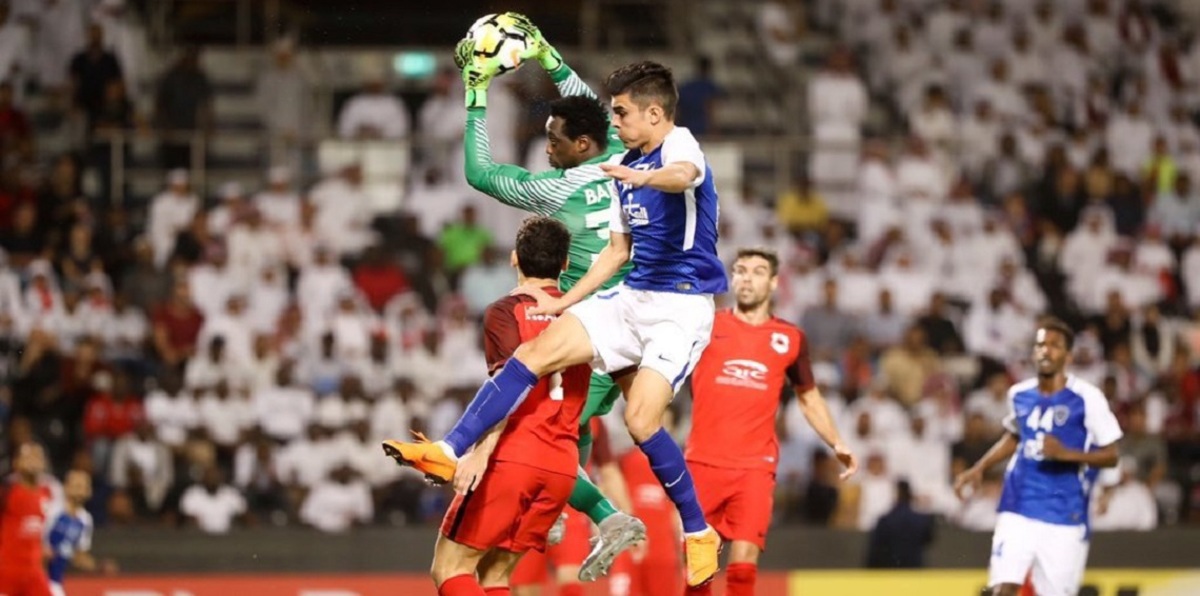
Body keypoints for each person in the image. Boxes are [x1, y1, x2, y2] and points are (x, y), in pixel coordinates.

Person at [384, 20, 726, 586]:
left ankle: (692, 529)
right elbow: (615, 252)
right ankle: (450, 449)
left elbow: (684, 173)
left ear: (652, 114)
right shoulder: (619, 163)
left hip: (680, 306)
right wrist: (566, 301)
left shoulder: (671, 147)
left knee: (630, 422)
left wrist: (641, 177)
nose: (611, 119)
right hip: (625, 296)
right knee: (536, 361)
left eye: (620, 113)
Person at [450, 24, 644, 581]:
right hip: (637, 321)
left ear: (581, 145)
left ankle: (606, 516)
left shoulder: (557, 188)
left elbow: (479, 172)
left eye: (554, 138)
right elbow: (592, 108)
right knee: (572, 425)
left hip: (594, 330)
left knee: (537, 432)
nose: (547, 146)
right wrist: (547, 56)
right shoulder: (627, 158)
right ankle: (558, 506)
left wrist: (476, 94)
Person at [425, 216, 591, 596]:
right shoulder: (583, 317)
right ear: (565, 263)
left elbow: (508, 389)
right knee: (496, 575)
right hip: (562, 465)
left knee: (449, 569)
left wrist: (481, 453)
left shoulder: (506, 311)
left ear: (514, 257)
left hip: (514, 456)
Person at [683, 248, 857, 596]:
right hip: (702, 463)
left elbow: (808, 396)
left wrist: (836, 441)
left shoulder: (790, 338)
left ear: (774, 282)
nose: (747, 278)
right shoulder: (705, 323)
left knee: (744, 563)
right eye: (740, 270)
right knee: (699, 569)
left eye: (758, 271)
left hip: (755, 468)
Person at [953, 318, 1123, 596]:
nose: (1046, 350)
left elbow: (1112, 455)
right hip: (1018, 506)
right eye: (1041, 345)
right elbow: (1015, 435)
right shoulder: (1019, 394)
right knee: (1003, 589)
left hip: (1063, 513)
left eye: (1054, 345)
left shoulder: (1087, 398)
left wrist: (1065, 454)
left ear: (1068, 356)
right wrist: (980, 467)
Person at [46, 470, 116, 596]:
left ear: (89, 491)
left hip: (54, 581)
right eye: (76, 485)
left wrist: (98, 566)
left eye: (84, 487)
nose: (80, 490)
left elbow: (78, 556)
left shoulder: (85, 520)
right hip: (36, 575)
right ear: (66, 487)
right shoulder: (51, 511)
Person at [0, 443, 54, 596]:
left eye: (37, 457)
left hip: (34, 572)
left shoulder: (47, 493)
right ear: (16, 463)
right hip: (7, 570)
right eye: (28, 456)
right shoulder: (6, 493)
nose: (33, 461)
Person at [864, 480, 935, 568]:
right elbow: (928, 539)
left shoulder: (885, 521)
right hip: (914, 570)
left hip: (890, 571)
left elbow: (875, 550)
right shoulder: (921, 520)